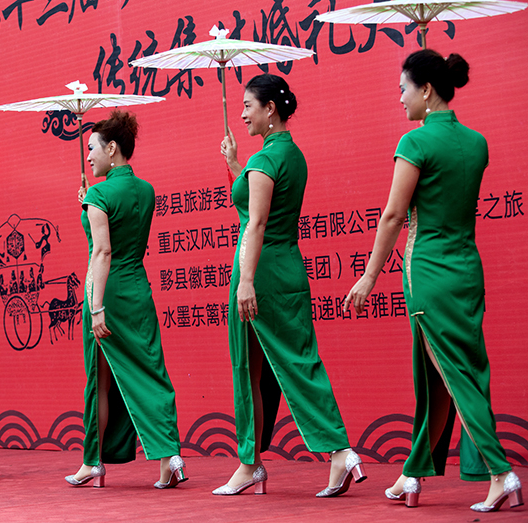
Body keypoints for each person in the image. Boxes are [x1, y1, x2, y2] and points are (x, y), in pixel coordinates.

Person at [344, 50, 522, 512]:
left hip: (429, 273)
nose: (399, 98)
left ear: (425, 90)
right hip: (467, 268)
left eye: (403, 88)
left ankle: (501, 473)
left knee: (453, 374)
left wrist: (367, 277)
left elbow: (392, 215)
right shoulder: (477, 142)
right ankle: (412, 474)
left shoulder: (416, 143)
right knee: (438, 376)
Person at [215, 74, 364, 497]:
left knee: (247, 370)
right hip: (288, 268)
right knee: (301, 362)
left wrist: (246, 282)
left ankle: (256, 463)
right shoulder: (289, 155)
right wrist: (234, 165)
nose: (242, 114)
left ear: (270, 110)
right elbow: (258, 208)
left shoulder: (264, 162)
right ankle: (334, 453)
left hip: (258, 272)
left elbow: (256, 223)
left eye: (248, 106)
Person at [66, 110, 186, 489]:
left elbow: (102, 252)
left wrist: (96, 306)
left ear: (112, 149)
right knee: (152, 372)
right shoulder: (145, 190)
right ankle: (170, 458)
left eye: (92, 148)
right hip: (139, 288)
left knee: (98, 380)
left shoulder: (101, 193)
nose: (88, 156)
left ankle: (92, 462)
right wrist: (88, 206)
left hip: (107, 291)